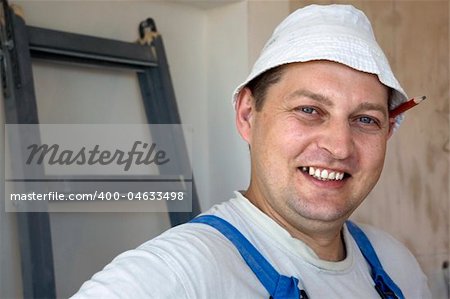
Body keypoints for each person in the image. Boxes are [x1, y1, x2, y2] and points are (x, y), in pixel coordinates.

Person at [72, 4, 431, 298]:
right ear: (247, 115)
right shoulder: (180, 274)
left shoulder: (396, 264)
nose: (339, 147)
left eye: (366, 120)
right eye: (309, 110)